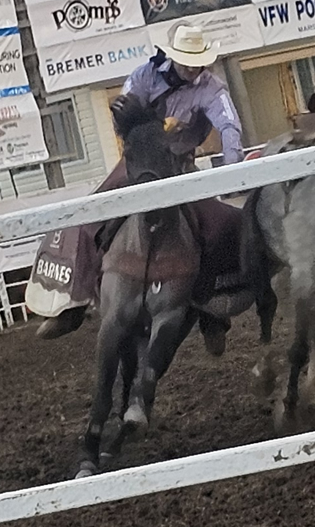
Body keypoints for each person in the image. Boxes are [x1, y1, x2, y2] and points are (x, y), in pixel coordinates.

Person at [26, 23, 245, 348]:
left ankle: (213, 312)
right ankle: (73, 302)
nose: (191, 66)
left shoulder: (213, 89)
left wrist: (232, 168)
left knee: (219, 223)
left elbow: (229, 126)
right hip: (138, 163)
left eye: (196, 60)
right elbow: (123, 113)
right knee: (89, 215)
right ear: (174, 56)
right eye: (186, 58)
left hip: (179, 165)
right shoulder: (145, 76)